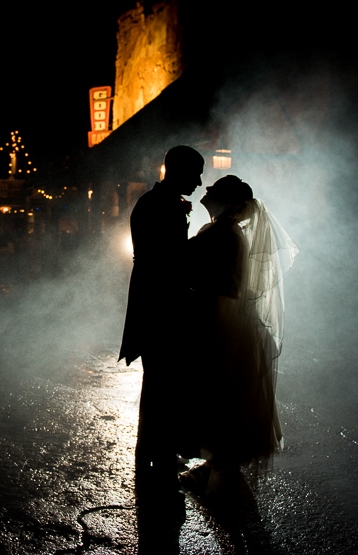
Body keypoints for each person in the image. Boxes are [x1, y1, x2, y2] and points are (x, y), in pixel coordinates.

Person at [180, 175, 298, 496]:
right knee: (219, 390)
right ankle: (217, 462)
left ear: (228, 202)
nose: (206, 189)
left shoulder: (222, 233)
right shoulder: (225, 231)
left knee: (217, 389)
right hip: (221, 314)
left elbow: (189, 265)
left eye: (214, 189)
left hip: (218, 317)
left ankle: (221, 466)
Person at [120, 145, 205, 491]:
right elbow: (169, 264)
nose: (200, 182)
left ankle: (153, 451)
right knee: (163, 381)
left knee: (159, 382)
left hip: (153, 300)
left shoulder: (155, 202)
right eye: (195, 173)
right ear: (177, 170)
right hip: (160, 304)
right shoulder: (161, 206)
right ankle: (159, 455)